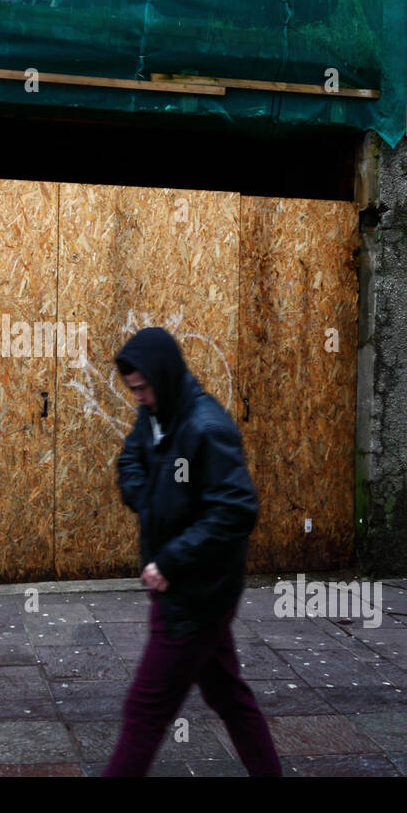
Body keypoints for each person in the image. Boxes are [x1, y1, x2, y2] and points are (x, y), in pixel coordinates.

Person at [102, 327, 283, 777]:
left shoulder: (206, 427)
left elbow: (237, 510)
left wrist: (171, 559)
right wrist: (147, 501)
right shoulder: (157, 415)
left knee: (145, 710)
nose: (138, 397)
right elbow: (130, 460)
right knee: (229, 696)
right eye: (133, 390)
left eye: (143, 388)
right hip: (192, 592)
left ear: (162, 377)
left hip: (195, 594)